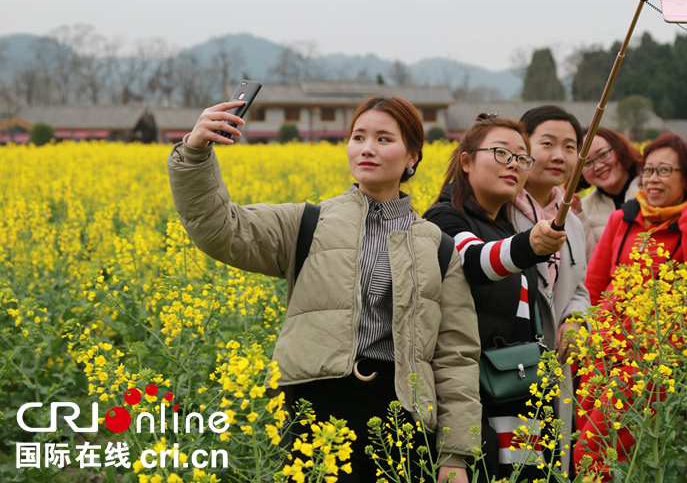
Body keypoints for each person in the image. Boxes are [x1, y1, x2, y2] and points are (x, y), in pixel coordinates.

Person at [168, 96, 480, 483]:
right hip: (313, 408)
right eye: (358, 136)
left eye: (384, 139)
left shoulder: (438, 246)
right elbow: (219, 228)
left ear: (412, 157)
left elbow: (456, 357)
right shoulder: (307, 222)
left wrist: (455, 455)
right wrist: (196, 153)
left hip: (400, 418)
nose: (367, 148)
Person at [423, 114, 566, 481]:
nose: (514, 166)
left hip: (517, 390)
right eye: (502, 153)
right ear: (467, 162)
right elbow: (472, 260)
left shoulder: (505, 226)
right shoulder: (444, 220)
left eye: (522, 158)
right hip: (473, 398)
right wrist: (529, 245)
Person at [574, 133, 687, 475]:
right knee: (589, 445)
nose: (653, 179)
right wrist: (588, 339)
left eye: (664, 171)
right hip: (604, 351)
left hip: (652, 357)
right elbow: (596, 285)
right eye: (649, 170)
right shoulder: (624, 219)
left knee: (594, 446)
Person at [510, 106, 591, 476]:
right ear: (522, 148)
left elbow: (580, 288)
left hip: (557, 371)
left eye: (570, 147)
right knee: (514, 467)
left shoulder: (572, 219)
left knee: (553, 466)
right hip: (509, 370)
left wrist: (576, 320)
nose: (559, 155)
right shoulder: (499, 212)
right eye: (547, 143)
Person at [570, 127, 642, 262]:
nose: (598, 166)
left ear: (620, 150)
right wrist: (579, 217)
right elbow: (592, 265)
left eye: (603, 155)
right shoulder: (583, 209)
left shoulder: (654, 190)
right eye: (586, 163)